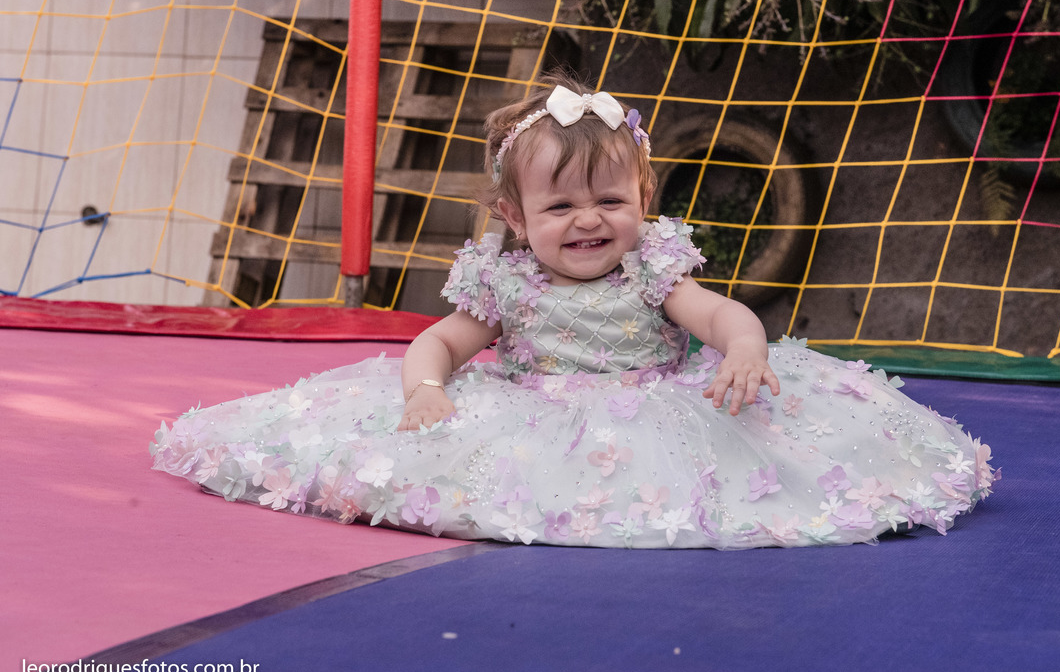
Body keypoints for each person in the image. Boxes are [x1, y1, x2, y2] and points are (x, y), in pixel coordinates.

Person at [151, 73, 996, 549]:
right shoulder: (507, 283)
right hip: (535, 412)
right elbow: (438, 343)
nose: (589, 221)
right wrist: (423, 390)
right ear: (515, 220)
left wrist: (745, 348)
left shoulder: (655, 271)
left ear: (645, 196)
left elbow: (721, 314)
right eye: (560, 209)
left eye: (609, 199)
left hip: (661, 408)